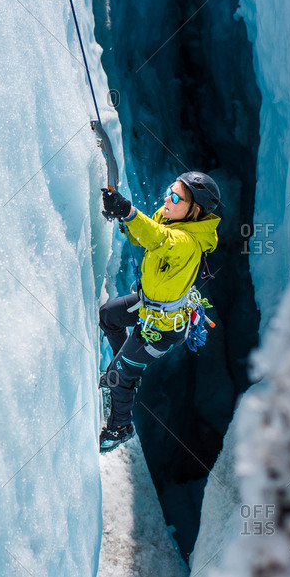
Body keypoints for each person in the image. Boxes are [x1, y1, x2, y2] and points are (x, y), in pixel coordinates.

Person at [99, 171, 221, 452]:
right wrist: (126, 220)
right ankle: (126, 368)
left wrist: (128, 212)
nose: (167, 198)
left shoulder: (187, 243)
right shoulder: (170, 217)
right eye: (170, 190)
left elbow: (160, 239)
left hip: (163, 330)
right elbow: (147, 234)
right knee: (109, 316)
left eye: (176, 197)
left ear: (195, 210)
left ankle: (121, 428)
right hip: (148, 308)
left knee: (119, 374)